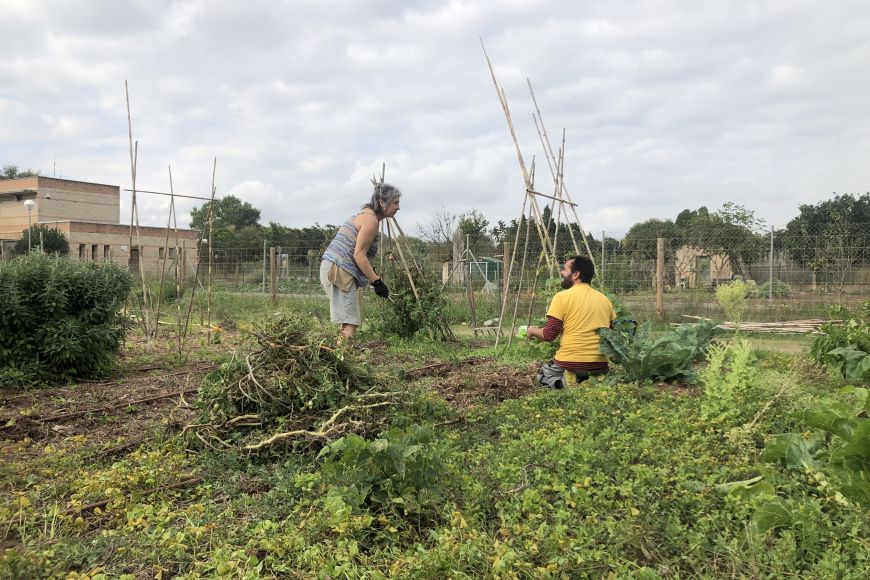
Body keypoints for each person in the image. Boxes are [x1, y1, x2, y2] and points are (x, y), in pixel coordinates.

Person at [320, 182, 401, 339]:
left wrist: (373, 275)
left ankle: (340, 356)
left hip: (335, 267)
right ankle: (342, 359)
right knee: (350, 321)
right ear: (382, 202)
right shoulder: (370, 220)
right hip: (338, 270)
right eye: (395, 203)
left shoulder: (365, 215)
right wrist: (376, 282)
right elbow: (359, 255)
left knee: (346, 320)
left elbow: (358, 253)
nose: (398, 207)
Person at [526, 255, 616, 388]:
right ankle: (591, 381)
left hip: (570, 362)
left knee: (542, 375)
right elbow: (611, 335)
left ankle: (566, 383)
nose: (561, 273)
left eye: (564, 269)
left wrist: (532, 330)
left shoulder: (562, 297)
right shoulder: (605, 300)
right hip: (599, 365)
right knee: (592, 375)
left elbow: (549, 335)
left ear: (575, 274)